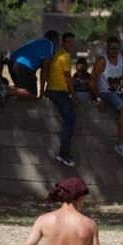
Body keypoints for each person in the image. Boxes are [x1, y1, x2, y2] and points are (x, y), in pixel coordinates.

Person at [90, 35, 123, 158]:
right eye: (112, 48)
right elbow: (91, 81)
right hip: (106, 92)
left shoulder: (121, 59)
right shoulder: (102, 62)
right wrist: (98, 98)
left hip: (118, 93)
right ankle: (121, 143)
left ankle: (121, 141)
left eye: (117, 48)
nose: (114, 51)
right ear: (107, 48)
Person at [46, 32, 78, 167]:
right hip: (59, 92)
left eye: (72, 42)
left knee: (68, 119)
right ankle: (63, 153)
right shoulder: (65, 56)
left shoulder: (57, 54)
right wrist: (74, 95)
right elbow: (68, 78)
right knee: (70, 120)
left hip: (52, 90)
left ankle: (63, 152)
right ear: (63, 43)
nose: (71, 44)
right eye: (68, 42)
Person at [8, 30, 59, 100]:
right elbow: (44, 70)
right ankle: (6, 90)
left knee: (23, 91)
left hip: (12, 62)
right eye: (58, 40)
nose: (59, 43)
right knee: (32, 95)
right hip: (23, 66)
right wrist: (42, 91)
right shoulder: (49, 44)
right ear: (54, 39)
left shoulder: (35, 41)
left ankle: (7, 89)